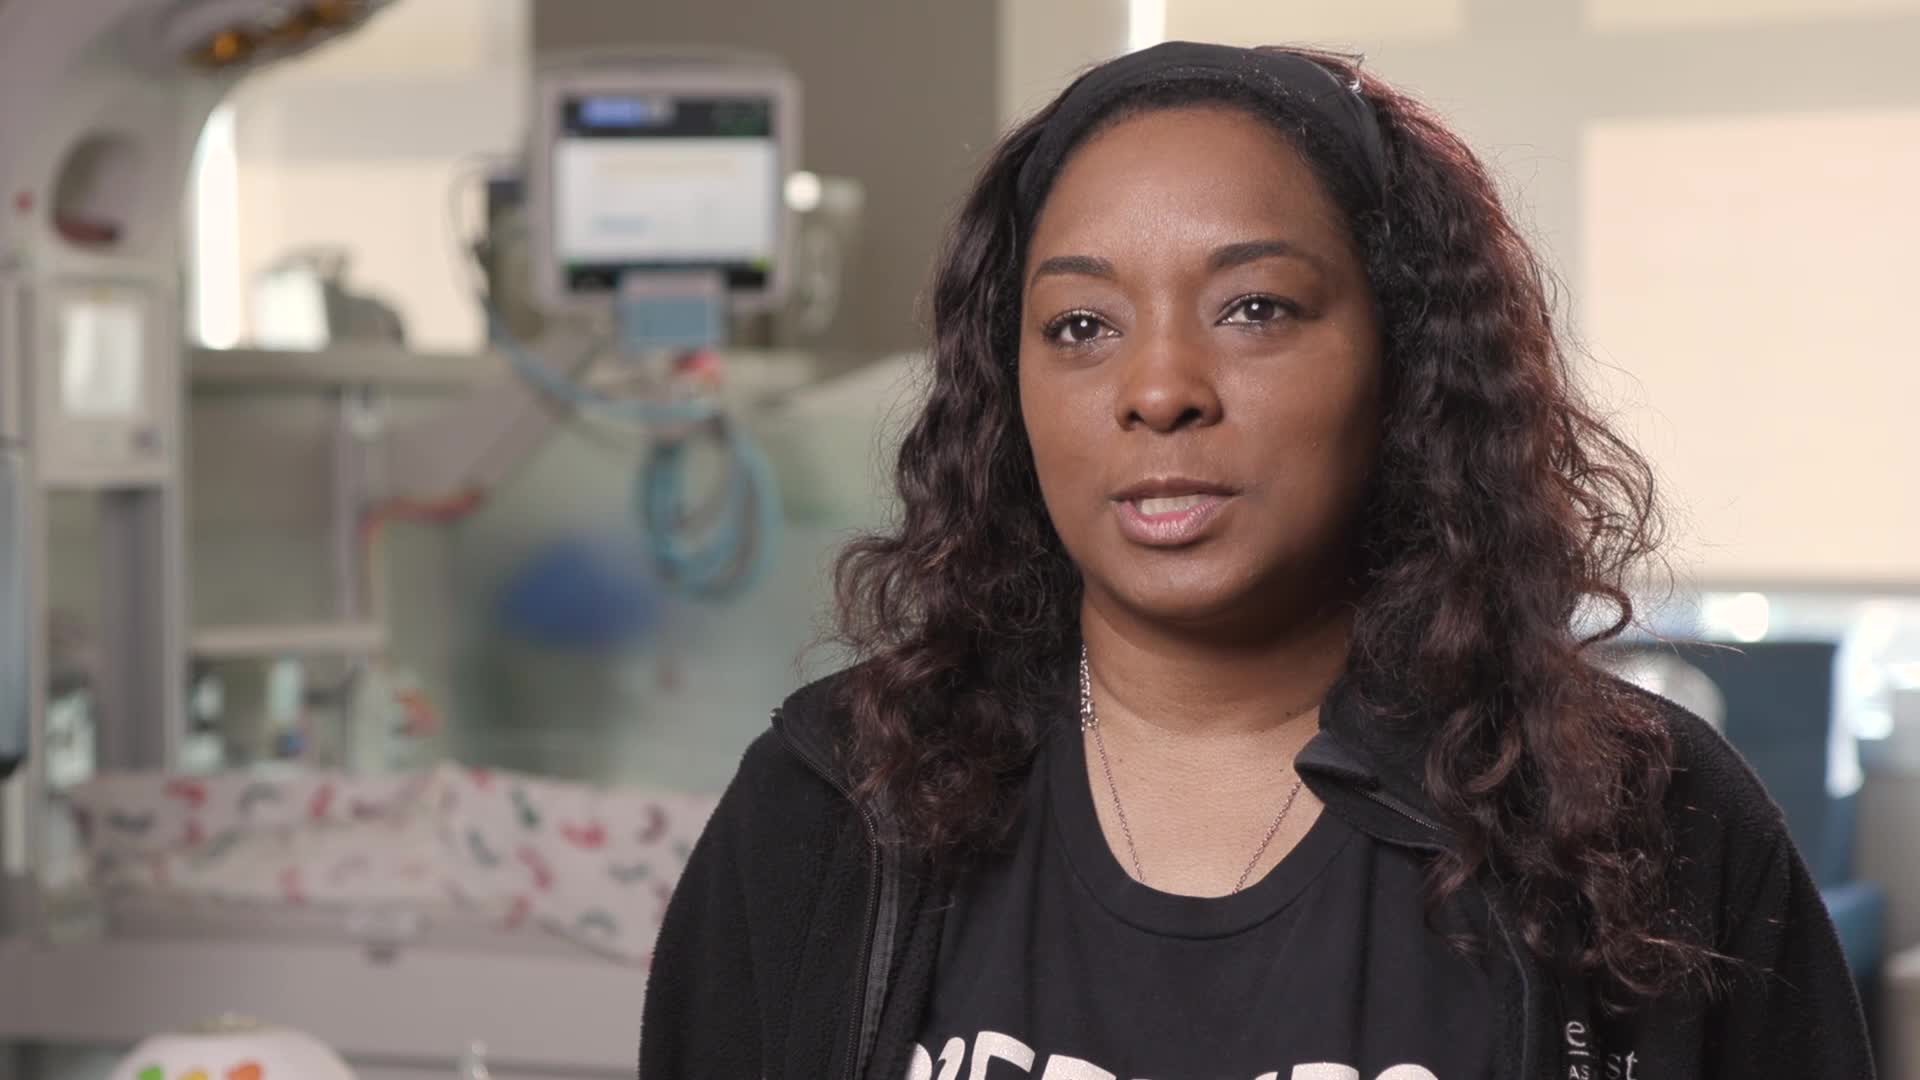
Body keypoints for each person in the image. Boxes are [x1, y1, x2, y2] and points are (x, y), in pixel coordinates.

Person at [638, 41, 1874, 1080]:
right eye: (1081, 325)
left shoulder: (1652, 825)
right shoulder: (830, 802)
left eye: (1256, 309)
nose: (1160, 389)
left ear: (1405, 358)